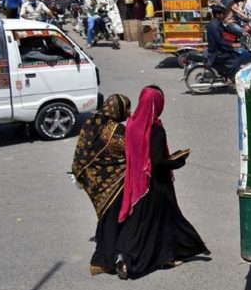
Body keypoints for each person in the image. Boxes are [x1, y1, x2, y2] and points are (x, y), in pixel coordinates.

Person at [115, 86, 209, 279]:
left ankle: (167, 257)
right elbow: (157, 162)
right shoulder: (155, 129)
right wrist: (178, 160)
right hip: (156, 184)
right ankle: (130, 262)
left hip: (139, 182)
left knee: (159, 220)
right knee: (159, 221)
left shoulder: (133, 123)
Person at [71, 94, 132, 275]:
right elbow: (128, 151)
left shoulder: (91, 122)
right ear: (117, 109)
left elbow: (82, 151)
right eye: (126, 108)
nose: (128, 113)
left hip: (95, 183)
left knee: (106, 220)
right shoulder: (116, 130)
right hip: (113, 183)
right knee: (111, 221)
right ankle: (102, 262)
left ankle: (106, 256)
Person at [206, 6, 245, 81]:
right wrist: (232, 45)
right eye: (223, 14)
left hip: (218, 49)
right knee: (237, 57)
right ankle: (231, 76)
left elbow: (226, 31)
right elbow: (219, 41)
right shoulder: (214, 25)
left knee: (233, 53)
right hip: (216, 52)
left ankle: (226, 73)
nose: (224, 16)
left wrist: (241, 34)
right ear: (217, 15)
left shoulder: (217, 22)